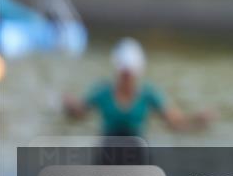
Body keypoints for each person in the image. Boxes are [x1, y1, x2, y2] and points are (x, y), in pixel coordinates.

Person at [63, 38, 212, 140]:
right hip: (108, 156)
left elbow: (175, 123)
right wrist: (69, 106)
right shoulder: (102, 92)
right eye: (124, 73)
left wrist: (197, 120)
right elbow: (79, 114)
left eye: (130, 74)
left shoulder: (149, 94)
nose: (126, 78)